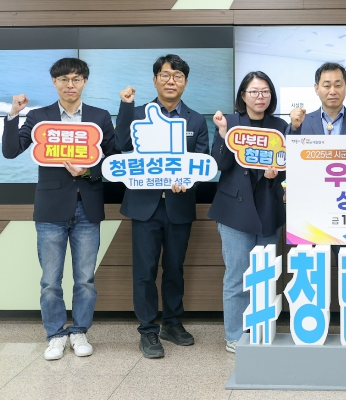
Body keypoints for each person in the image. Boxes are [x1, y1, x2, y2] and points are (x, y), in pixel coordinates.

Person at [2, 58, 116, 360]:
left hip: (88, 208)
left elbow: (114, 160)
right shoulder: (39, 116)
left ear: (85, 82)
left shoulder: (100, 116)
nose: (70, 85)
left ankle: (79, 331)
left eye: (76, 79)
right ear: (54, 82)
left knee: (85, 280)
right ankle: (54, 334)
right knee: (50, 281)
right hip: (51, 208)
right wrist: (12, 114)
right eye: (64, 79)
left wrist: (87, 172)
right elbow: (11, 151)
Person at [116, 54, 209, 358]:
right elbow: (121, 145)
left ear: (185, 82)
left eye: (178, 76)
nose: (171, 81)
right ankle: (147, 330)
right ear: (155, 80)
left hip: (179, 206)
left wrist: (189, 181)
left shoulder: (196, 120)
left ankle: (171, 322)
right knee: (144, 271)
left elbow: (202, 162)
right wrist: (126, 106)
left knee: (174, 269)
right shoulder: (138, 113)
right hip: (145, 206)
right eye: (166, 75)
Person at [208, 71, 288, 353]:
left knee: (264, 276)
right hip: (234, 211)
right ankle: (235, 335)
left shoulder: (280, 126)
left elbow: (288, 167)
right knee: (237, 276)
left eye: (265, 91)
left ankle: (261, 330)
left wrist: (275, 175)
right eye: (254, 91)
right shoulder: (230, 122)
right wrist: (222, 134)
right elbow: (219, 164)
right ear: (243, 96)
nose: (259, 97)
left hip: (268, 209)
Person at [287, 61, 346, 256]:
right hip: (310, 210)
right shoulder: (301, 123)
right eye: (326, 85)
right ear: (316, 88)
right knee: (312, 267)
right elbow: (290, 159)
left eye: (338, 84)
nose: (332, 91)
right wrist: (293, 129)